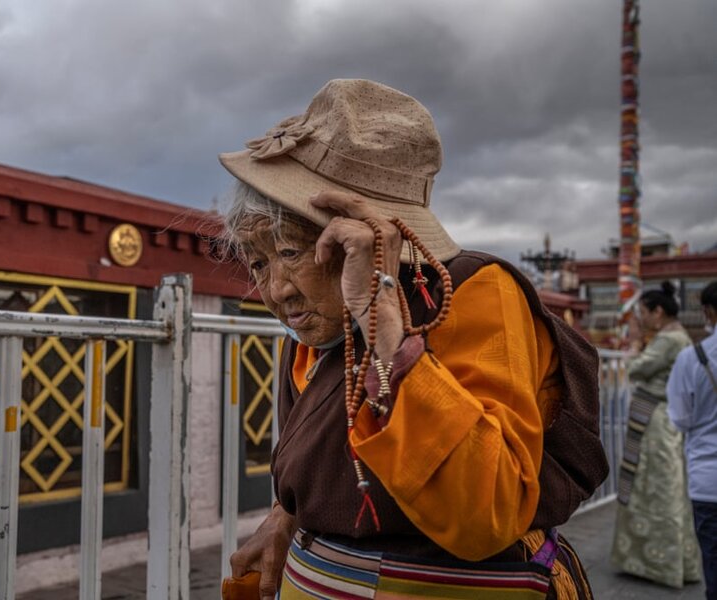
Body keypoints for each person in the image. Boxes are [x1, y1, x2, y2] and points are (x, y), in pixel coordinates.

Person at [217, 79, 609, 599]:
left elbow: (486, 512)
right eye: (258, 262)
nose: (275, 291)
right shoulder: (320, 325)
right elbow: (327, 460)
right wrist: (285, 516)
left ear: (357, 235)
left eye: (290, 252)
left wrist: (384, 328)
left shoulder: (470, 291)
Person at [610, 281, 702, 588]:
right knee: (663, 487)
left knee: (654, 488)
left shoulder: (668, 340)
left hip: (654, 421)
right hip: (662, 417)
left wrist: (635, 343)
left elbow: (636, 369)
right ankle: (672, 563)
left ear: (658, 312)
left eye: (643, 312)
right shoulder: (678, 336)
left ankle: (658, 564)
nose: (642, 318)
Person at [667, 281, 717, 599]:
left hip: (708, 482)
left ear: (708, 312)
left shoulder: (692, 358)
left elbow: (681, 419)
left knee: (714, 564)